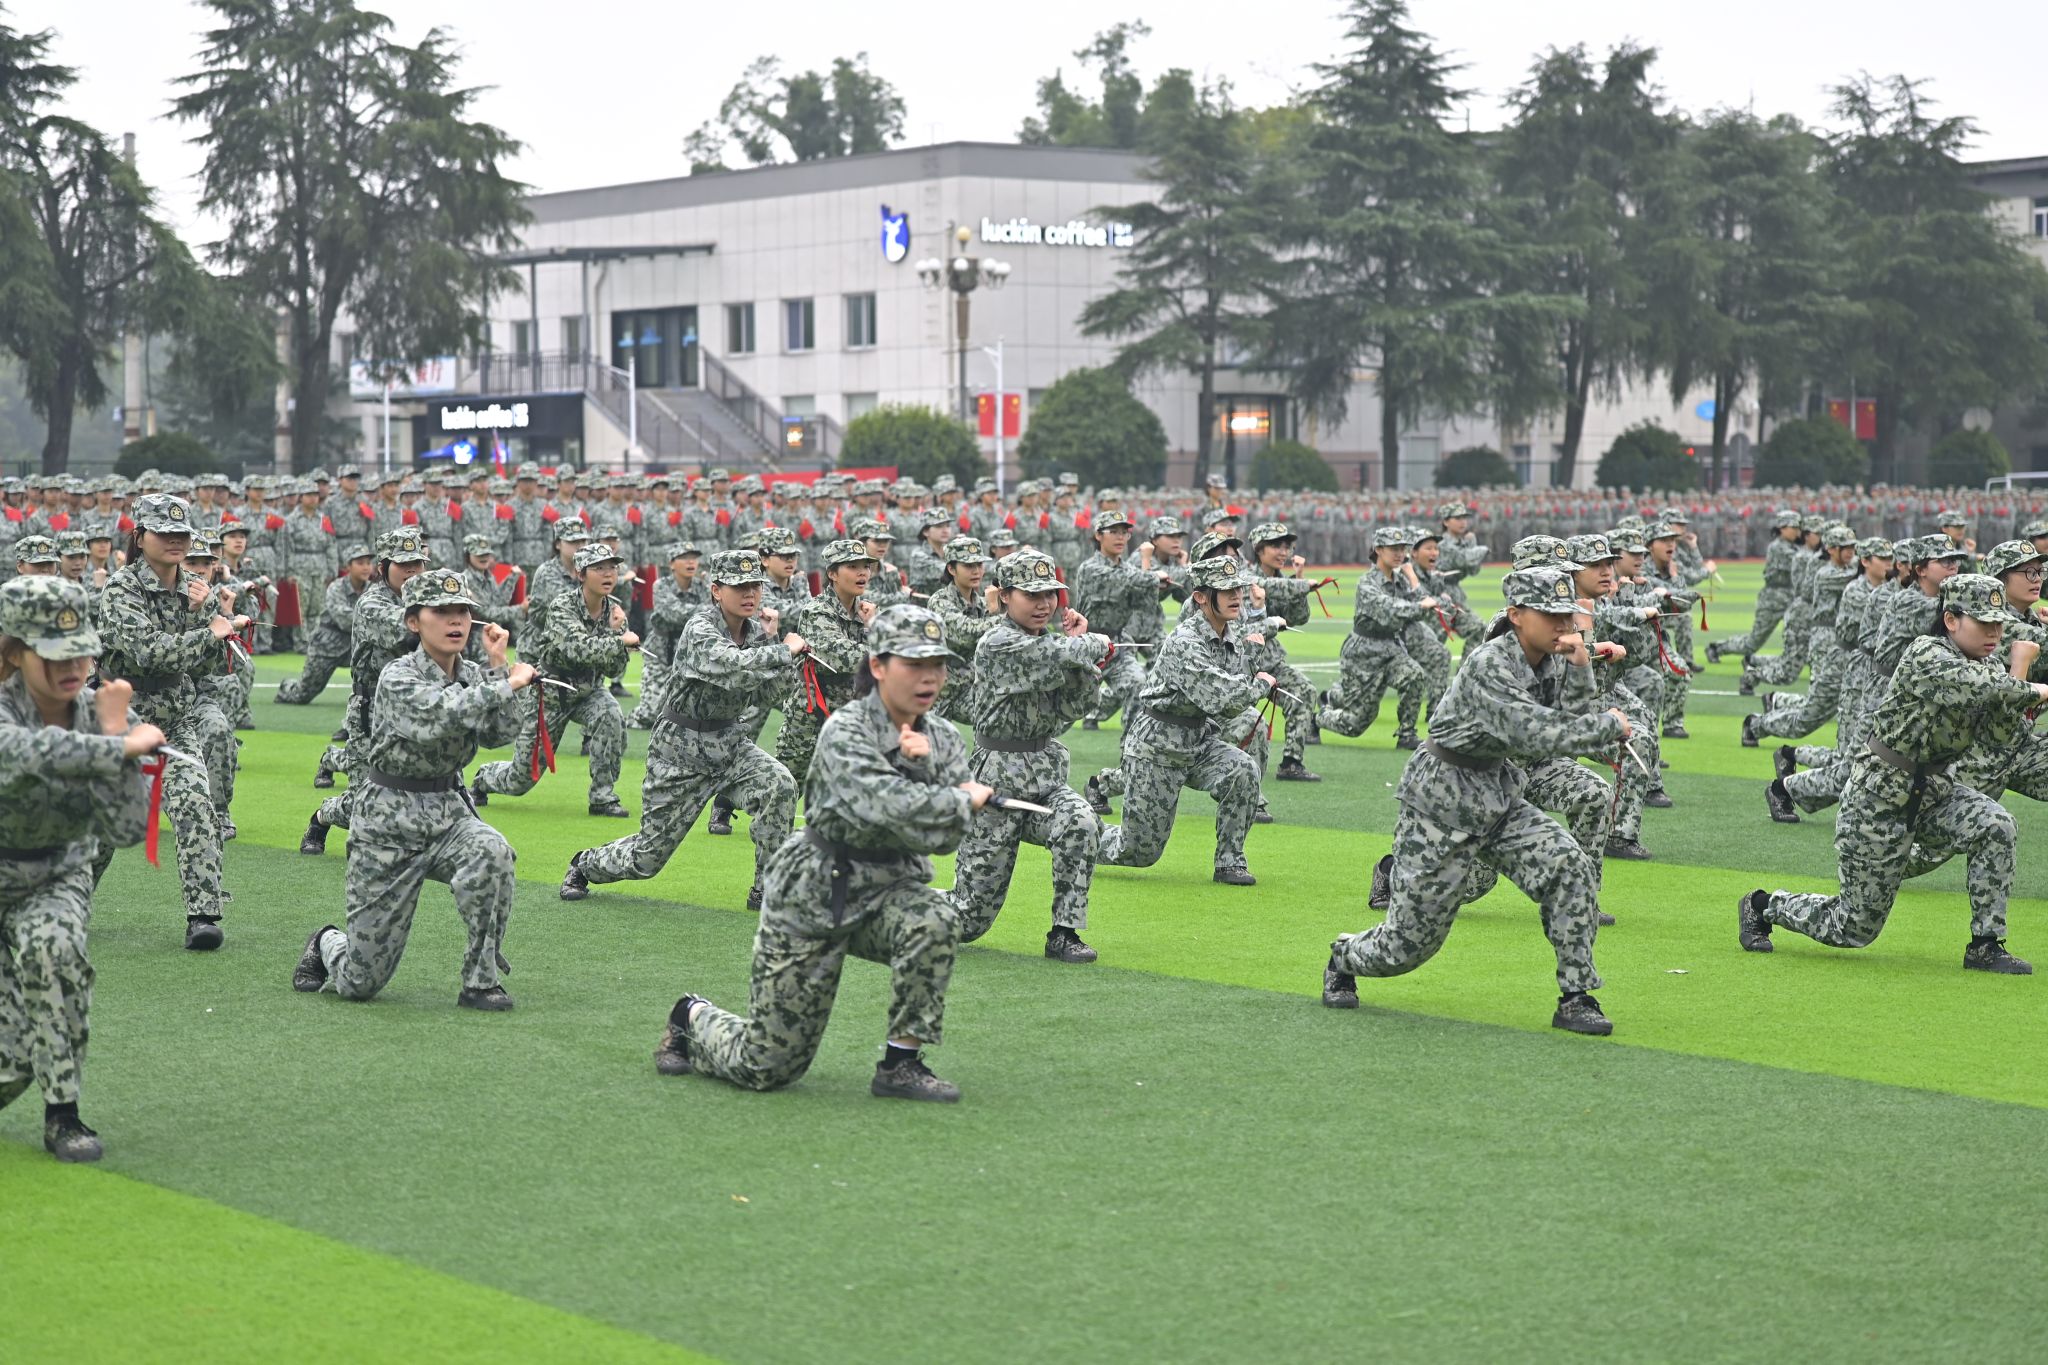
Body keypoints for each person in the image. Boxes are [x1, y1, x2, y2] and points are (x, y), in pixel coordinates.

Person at [651, 604, 991, 1102]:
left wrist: (936, 782)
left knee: (935, 918)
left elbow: (942, 838)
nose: (930, 678)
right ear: (878, 666)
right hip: (813, 893)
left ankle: (901, 1063)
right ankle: (691, 1017)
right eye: (914, 664)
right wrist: (950, 794)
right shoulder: (846, 730)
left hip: (886, 889)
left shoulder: (941, 737)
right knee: (767, 1066)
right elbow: (882, 805)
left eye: (938, 665)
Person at [1323, 569, 1629, 1035]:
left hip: (1496, 790)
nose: (1562, 624)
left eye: (1566, 615)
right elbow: (1538, 734)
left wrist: (1582, 664)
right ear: (1516, 615)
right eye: (1549, 615)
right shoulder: (1491, 664)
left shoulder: (1549, 660)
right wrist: (1609, 725)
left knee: (1569, 866)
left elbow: (1571, 717)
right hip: (1440, 802)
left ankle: (1576, 995)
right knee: (1407, 947)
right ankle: (1344, 956)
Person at [1738, 575, 2044, 974]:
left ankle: (1986, 945)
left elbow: (2001, 738)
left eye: (1998, 624)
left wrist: (2019, 676)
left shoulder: (1988, 667)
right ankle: (1763, 905)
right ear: (1951, 619)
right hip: (1878, 798)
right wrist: (2026, 676)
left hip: (1935, 790)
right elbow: (1980, 686)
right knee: (1853, 927)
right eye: (1983, 622)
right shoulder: (1927, 654)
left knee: (1996, 824)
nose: (1994, 633)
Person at [293, 571, 535, 1009]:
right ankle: (327, 942)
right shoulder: (397, 676)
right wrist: (508, 683)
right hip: (388, 821)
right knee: (360, 983)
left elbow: (500, 732)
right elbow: (440, 716)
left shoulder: (475, 674)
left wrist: (499, 665)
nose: (455, 621)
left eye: (462, 611)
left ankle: (480, 981)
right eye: (440, 611)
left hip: (448, 811)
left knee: (492, 851)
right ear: (412, 622)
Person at [0, 577, 156, 1162]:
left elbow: (125, 829)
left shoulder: (103, 713)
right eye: (55, 655)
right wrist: (119, 746)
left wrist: (114, 736)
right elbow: (23, 752)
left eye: (82, 653)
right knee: (10, 1061)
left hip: (54, 872)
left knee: (57, 952)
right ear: (16, 652)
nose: (73, 668)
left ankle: (62, 1112)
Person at [560, 549, 803, 910]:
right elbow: (731, 665)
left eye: (755, 586)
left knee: (780, 785)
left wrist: (773, 640)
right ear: (717, 590)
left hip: (729, 743)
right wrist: (783, 650)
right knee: (646, 858)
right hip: (681, 750)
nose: (750, 593)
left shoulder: (757, 634)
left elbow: (769, 693)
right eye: (740, 587)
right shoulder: (700, 628)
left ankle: (769, 890)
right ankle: (585, 864)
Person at [94, 494, 248, 950]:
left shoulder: (196, 587)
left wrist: (213, 618)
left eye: (182, 534)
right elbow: (149, 651)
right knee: (100, 829)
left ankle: (204, 916)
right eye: (165, 533)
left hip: (174, 721)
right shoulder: (122, 589)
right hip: (121, 722)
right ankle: (64, 899)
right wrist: (209, 631)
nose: (176, 541)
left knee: (196, 807)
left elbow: (211, 665)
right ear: (141, 537)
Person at [950, 550, 1114, 963]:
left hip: (1044, 776)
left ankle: (1064, 933)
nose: (1044, 604)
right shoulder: (998, 642)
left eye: (1050, 594)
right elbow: (1053, 655)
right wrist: (1088, 645)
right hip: (996, 782)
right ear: (1005, 596)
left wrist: (1083, 662)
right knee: (967, 919)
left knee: (1080, 821)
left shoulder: (1051, 644)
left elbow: (1077, 706)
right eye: (1032, 594)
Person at [1094, 557, 1271, 886]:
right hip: (1158, 746)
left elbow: (1233, 682)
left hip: (1198, 739)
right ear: (1201, 597)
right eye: (1226, 590)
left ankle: (1230, 861)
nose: (1236, 595)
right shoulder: (1185, 642)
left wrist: (1251, 656)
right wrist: (1261, 685)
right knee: (1137, 851)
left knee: (1243, 769)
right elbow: (1223, 699)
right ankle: (1077, 835)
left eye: (1238, 588)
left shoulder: (1228, 634)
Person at [471, 542, 635, 818]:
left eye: (612, 568)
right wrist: (618, 639)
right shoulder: (562, 606)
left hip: (588, 691)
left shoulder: (615, 614)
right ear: (581, 574)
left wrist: (617, 633)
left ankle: (603, 796)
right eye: (599, 568)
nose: (608, 573)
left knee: (611, 715)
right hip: (551, 694)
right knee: (521, 779)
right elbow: (578, 649)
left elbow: (614, 667)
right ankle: (484, 778)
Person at [301, 530, 431, 836]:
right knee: (367, 806)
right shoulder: (372, 603)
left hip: (418, 707)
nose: (412, 570)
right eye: (403, 564)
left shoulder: (429, 603)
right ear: (383, 568)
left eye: (416, 563)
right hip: (373, 712)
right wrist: (444, 617)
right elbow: (406, 630)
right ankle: (322, 817)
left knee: (423, 793)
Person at [774, 539, 880, 790]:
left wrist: (872, 626)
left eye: (865, 566)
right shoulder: (817, 611)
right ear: (832, 574)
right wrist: (884, 650)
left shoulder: (867, 611)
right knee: (787, 783)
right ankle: (727, 801)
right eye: (852, 567)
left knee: (856, 780)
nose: (862, 573)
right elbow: (842, 656)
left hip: (851, 707)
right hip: (811, 712)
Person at [1318, 527, 1433, 748]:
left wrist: (1412, 576)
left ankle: (1406, 734)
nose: (1399, 553)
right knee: (1355, 724)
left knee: (1415, 676)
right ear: (1378, 550)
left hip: (1390, 647)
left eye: (1402, 549)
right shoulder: (1367, 583)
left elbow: (1425, 601)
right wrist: (1421, 606)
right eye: (1393, 548)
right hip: (1364, 654)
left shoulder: (1401, 580)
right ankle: (1319, 717)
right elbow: (1390, 608)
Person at [276, 543, 372, 705]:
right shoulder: (336, 587)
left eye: (368, 563)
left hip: (357, 646)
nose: (366, 567)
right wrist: (373, 620)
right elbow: (344, 618)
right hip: (328, 646)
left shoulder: (373, 589)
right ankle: (287, 687)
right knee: (301, 695)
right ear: (348, 566)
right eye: (360, 563)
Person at [1708, 510, 1803, 663]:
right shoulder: (1778, 548)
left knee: (1800, 636)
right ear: (1782, 528)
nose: (1797, 531)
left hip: (1791, 598)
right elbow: (1801, 562)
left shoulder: (1795, 547)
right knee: (1753, 643)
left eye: (1798, 528)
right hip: (1773, 600)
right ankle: (1717, 648)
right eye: (1794, 527)